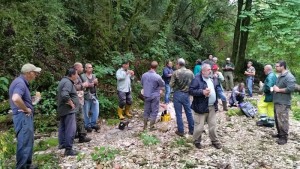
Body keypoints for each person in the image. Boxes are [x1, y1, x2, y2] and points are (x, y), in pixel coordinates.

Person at [9, 63, 41, 169]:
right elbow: (16, 98)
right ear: (28, 73)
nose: (36, 74)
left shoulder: (21, 82)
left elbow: (20, 98)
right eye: (34, 72)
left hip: (23, 116)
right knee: (24, 142)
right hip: (22, 116)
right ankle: (22, 166)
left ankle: (27, 165)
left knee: (27, 141)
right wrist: (26, 109)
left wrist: (31, 100)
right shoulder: (20, 83)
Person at [189, 63, 221, 149]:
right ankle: (196, 141)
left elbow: (216, 91)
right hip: (200, 106)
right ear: (203, 71)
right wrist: (202, 92)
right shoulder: (196, 79)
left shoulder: (212, 79)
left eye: (210, 69)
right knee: (199, 127)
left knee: (213, 125)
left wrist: (216, 103)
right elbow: (191, 91)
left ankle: (215, 141)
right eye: (208, 70)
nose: (210, 71)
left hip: (211, 107)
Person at [57, 67, 80, 156]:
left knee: (63, 127)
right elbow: (64, 94)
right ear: (72, 75)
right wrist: (71, 103)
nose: (78, 76)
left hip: (63, 109)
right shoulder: (68, 82)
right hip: (68, 110)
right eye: (77, 74)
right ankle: (68, 149)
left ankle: (62, 144)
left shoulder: (63, 81)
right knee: (71, 128)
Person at [272, 61, 296, 145]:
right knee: (277, 119)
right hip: (277, 101)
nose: (276, 68)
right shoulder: (280, 76)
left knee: (283, 120)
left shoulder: (289, 77)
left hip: (283, 102)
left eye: (277, 66)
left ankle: (284, 137)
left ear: (283, 67)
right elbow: (278, 86)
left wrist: (279, 90)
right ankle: (280, 134)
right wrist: (274, 88)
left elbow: (291, 88)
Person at [170, 58, 194, 136]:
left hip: (177, 94)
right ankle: (192, 130)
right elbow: (193, 83)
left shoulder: (175, 73)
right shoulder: (190, 72)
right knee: (189, 112)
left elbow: (171, 84)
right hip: (186, 94)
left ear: (178, 64)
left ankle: (181, 131)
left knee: (179, 113)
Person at [141, 61, 165, 130]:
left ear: (150, 66)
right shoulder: (157, 76)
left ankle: (145, 126)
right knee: (154, 111)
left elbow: (142, 83)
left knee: (146, 110)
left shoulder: (144, 75)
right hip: (155, 96)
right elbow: (162, 84)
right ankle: (151, 127)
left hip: (146, 95)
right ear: (156, 67)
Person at [73, 62, 92, 142]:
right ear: (77, 68)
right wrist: (82, 86)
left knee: (78, 118)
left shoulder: (78, 75)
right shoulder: (73, 76)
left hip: (80, 99)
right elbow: (72, 87)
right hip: (76, 99)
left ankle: (77, 133)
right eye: (81, 67)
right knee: (80, 117)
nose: (82, 69)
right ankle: (82, 136)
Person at [81, 63, 100, 132]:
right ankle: (87, 125)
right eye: (89, 67)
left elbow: (96, 84)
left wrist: (96, 82)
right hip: (86, 96)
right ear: (85, 69)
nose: (91, 68)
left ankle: (93, 123)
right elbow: (82, 85)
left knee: (96, 110)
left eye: (91, 67)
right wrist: (90, 83)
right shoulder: (82, 76)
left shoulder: (94, 75)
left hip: (94, 95)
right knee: (86, 111)